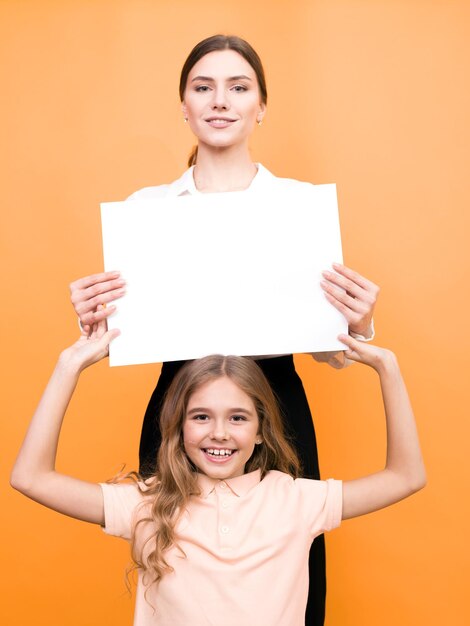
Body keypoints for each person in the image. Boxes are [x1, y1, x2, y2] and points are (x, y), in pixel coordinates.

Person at [68, 35, 380, 625]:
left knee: (293, 571)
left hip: (275, 407)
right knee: (174, 565)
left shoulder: (298, 207)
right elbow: (126, 328)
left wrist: (357, 323)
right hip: (179, 405)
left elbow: (330, 351)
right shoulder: (147, 211)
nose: (220, 101)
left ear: (261, 106)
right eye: (203, 87)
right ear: (183, 105)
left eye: (239, 88)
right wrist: (96, 317)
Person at [10, 317, 426, 626]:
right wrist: (69, 365)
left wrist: (386, 367)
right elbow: (31, 478)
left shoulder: (297, 499)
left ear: (263, 430)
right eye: (202, 417)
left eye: (239, 418)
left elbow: (406, 476)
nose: (220, 433)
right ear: (179, 425)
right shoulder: (149, 504)